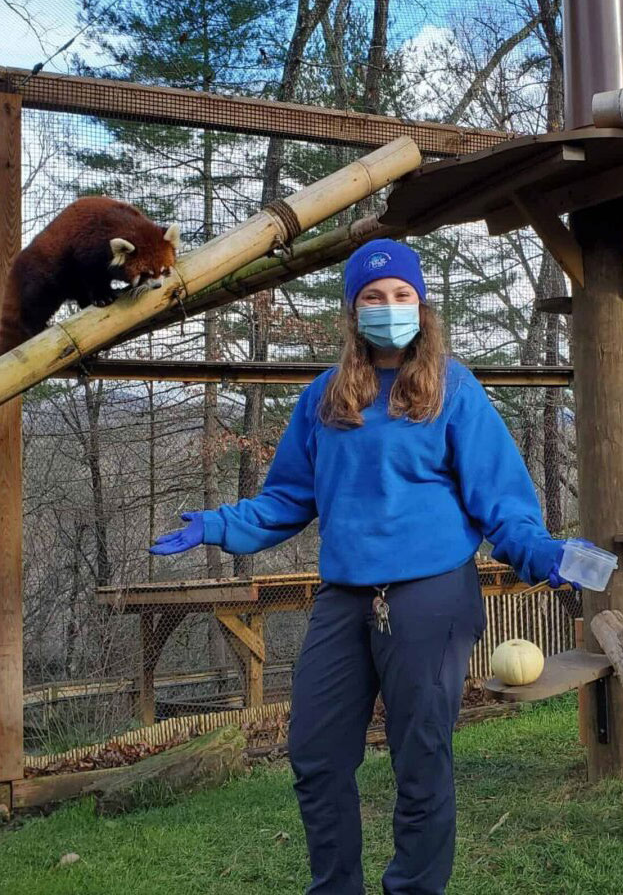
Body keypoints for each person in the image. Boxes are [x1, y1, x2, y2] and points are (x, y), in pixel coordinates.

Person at [150, 239, 579, 895]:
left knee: (421, 759)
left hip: (430, 595)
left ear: (421, 305)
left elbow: (501, 501)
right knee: (316, 756)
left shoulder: (452, 390)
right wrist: (216, 525)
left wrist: (541, 552)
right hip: (345, 597)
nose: (388, 307)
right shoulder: (325, 398)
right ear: (353, 310)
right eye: (373, 297)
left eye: (401, 296)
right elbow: (288, 499)